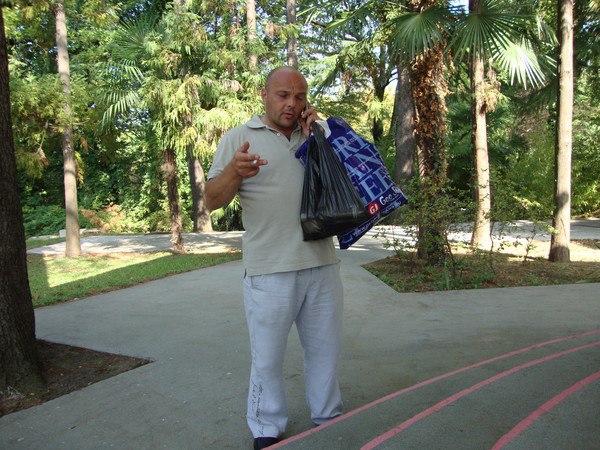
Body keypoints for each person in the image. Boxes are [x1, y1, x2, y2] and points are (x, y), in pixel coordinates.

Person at [205, 66, 344, 450]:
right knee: (267, 358)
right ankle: (266, 427)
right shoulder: (239, 137)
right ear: (264, 95)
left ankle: (329, 417)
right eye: (283, 95)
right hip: (269, 270)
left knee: (326, 353)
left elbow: (351, 176)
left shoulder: (318, 133)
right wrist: (235, 172)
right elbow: (212, 200)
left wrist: (323, 134)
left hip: (322, 263)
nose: (291, 104)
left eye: (299, 96)